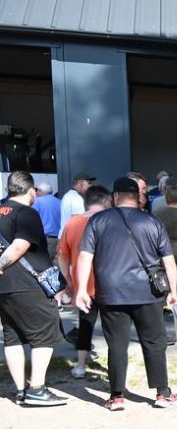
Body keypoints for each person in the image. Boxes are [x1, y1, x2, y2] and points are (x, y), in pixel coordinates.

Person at [75, 177, 177, 411]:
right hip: (148, 292)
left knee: (117, 344)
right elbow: (168, 260)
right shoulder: (152, 221)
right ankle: (162, 393)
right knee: (154, 342)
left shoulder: (98, 220)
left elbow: (85, 256)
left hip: (111, 293)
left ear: (115, 196)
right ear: (138, 197)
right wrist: (173, 291)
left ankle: (116, 396)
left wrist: (81, 289)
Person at [0, 171, 66, 406]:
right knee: (44, 332)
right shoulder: (27, 213)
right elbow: (20, 246)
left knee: (12, 336)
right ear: (31, 191)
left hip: (4, 287)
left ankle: (21, 391)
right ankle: (37, 388)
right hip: (28, 284)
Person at [58, 184, 112, 378]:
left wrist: (69, 280)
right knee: (113, 327)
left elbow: (62, 256)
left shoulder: (72, 223)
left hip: (83, 285)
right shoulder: (111, 221)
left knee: (85, 325)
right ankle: (115, 367)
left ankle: (80, 365)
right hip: (110, 284)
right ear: (107, 201)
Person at [31, 180, 60, 262]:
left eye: (37, 190)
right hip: (58, 239)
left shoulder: (37, 201)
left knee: (42, 264)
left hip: (45, 239)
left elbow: (32, 219)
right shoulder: (60, 202)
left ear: (40, 191)